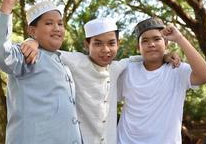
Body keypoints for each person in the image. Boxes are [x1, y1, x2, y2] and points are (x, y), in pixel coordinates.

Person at [21, 18, 180, 144]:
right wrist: (32, 41)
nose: (105, 50)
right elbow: (49, 52)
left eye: (111, 43)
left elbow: (142, 58)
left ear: (118, 44)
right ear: (86, 45)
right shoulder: (74, 61)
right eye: (97, 43)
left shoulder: (119, 67)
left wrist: (165, 56)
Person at [0, 0, 82, 144]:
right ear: (32, 30)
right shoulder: (27, 54)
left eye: (60, 23)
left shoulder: (63, 62)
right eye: (49, 23)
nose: (57, 28)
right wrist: (8, 4)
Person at [117, 17, 206, 144]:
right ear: (138, 48)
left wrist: (179, 38)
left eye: (157, 39)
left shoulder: (176, 70)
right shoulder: (127, 70)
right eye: (145, 41)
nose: (151, 44)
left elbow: (205, 75)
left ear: (166, 43)